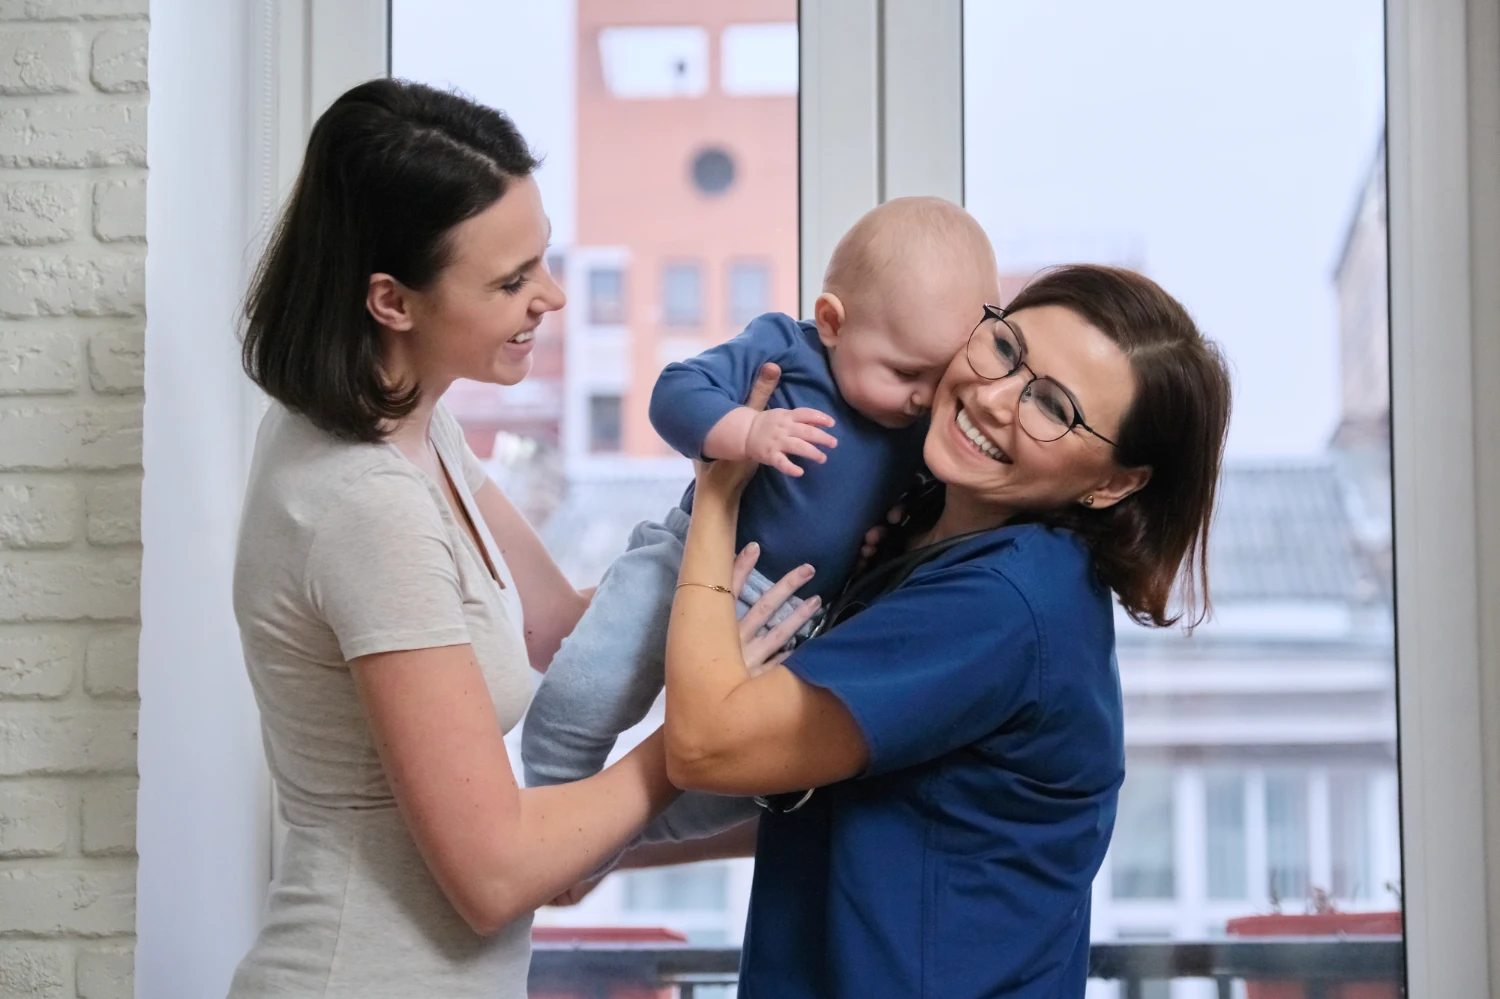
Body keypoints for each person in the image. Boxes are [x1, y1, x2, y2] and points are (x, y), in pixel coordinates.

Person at [227, 79, 743, 998]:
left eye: (542, 260)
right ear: (392, 299)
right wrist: (691, 748)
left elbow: (565, 630)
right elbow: (493, 871)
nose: (548, 296)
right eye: (511, 281)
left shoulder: (414, 431)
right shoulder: (362, 502)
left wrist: (753, 608)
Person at [659, 264, 1232, 998]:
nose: (994, 398)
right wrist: (602, 855)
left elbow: (707, 744)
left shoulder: (1005, 602)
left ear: (1114, 483)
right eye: (1006, 348)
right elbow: (852, 803)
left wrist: (718, 484)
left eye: (1052, 406)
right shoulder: (920, 534)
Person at [522, 197, 1000, 847]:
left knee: (758, 778)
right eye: (904, 372)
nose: (921, 395)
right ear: (832, 321)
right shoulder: (786, 350)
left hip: (793, 616)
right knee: (588, 682)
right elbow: (674, 393)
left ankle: (614, 835)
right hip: (685, 564)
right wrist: (746, 429)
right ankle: (549, 801)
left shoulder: (919, 429)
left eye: (938, 378)